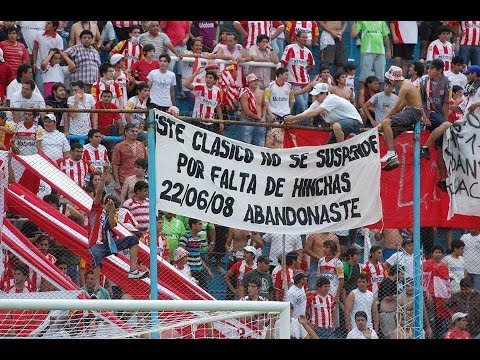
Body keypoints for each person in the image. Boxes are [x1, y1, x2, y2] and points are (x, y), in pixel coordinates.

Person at [87, 163, 148, 289]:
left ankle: (132, 271)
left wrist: (110, 211)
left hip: (109, 245)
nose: (116, 210)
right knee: (97, 256)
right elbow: (98, 193)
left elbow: (113, 225)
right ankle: (97, 287)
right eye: (115, 207)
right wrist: (105, 174)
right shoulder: (96, 209)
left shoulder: (112, 214)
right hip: (95, 244)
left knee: (133, 240)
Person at [377, 65, 427, 171]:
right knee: (385, 131)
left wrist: (381, 122)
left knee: (386, 123)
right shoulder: (406, 84)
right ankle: (394, 158)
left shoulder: (404, 87)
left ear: (392, 79)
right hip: (412, 111)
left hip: (413, 112)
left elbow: (395, 108)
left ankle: (391, 152)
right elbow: (403, 103)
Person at [285, 82, 362, 144]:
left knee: (336, 126)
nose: (315, 97)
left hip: (354, 121)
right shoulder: (317, 102)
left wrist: (293, 117)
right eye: (315, 95)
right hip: (340, 125)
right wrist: (293, 120)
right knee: (328, 147)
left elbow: (314, 113)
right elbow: (306, 113)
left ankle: (341, 148)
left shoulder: (331, 98)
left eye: (317, 95)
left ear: (325, 93)